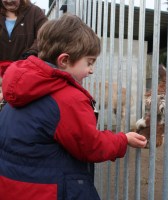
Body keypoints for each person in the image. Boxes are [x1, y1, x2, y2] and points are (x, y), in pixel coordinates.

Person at [0, 14, 147, 200]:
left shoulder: (20, 87)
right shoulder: (67, 98)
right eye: (89, 62)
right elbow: (91, 146)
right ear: (64, 60)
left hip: (13, 185)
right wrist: (122, 139)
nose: (91, 70)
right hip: (48, 190)